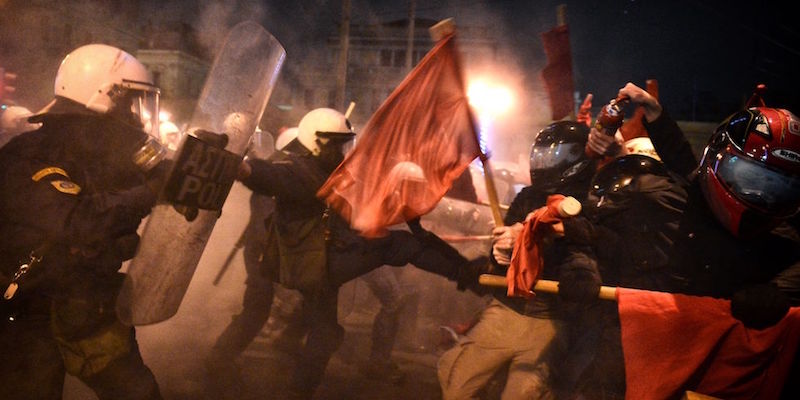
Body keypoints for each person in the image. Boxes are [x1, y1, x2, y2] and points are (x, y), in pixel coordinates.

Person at [561, 82, 800, 399]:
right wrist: (581, 265)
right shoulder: (660, 197)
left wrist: (780, 291)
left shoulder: (782, 239)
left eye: (779, 188)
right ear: (717, 160)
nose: (761, 195)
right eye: (751, 178)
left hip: (707, 378)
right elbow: (585, 231)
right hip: (628, 358)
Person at [236, 107, 489, 399]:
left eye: (345, 143)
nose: (343, 151)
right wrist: (241, 168)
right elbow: (267, 175)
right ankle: (467, 273)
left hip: (320, 264)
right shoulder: (299, 171)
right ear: (316, 142)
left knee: (326, 332)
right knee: (403, 246)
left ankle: (297, 389)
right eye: (336, 144)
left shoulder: (328, 172)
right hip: (317, 261)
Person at [0, 44, 167, 400]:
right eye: (131, 104)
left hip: (88, 307)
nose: (136, 118)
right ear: (103, 99)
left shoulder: (98, 155)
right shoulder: (27, 155)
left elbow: (162, 176)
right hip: (28, 314)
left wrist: (202, 165)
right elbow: (79, 220)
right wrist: (150, 191)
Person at [437, 120, 600, 400]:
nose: (544, 162)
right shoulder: (527, 197)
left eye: (554, 156)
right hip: (507, 307)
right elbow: (504, 256)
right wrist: (499, 252)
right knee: (457, 383)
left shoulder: (593, 203)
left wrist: (554, 238)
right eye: (542, 154)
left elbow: (593, 250)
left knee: (523, 394)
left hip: (551, 317)